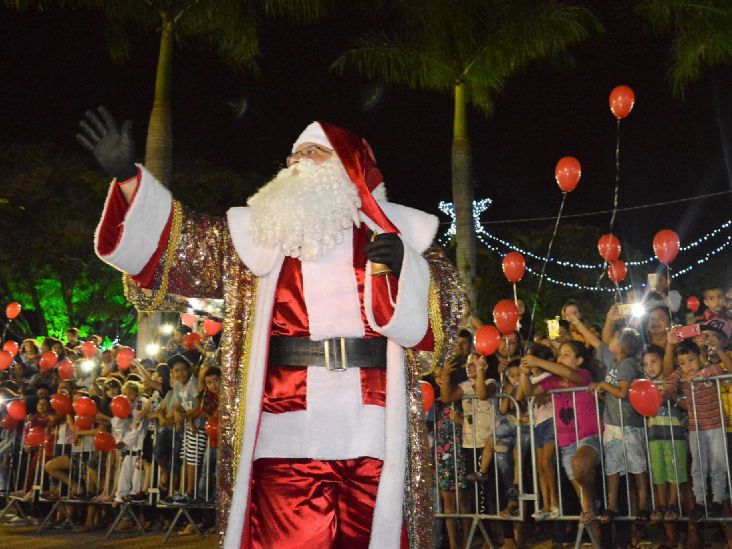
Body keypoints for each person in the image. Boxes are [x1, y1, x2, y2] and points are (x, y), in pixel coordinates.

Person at [77, 108, 462, 548]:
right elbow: (180, 248)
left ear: (347, 168)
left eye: (312, 153)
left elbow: (446, 319)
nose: (295, 163)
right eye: (292, 155)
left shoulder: (400, 236)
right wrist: (129, 179)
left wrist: (407, 270)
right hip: (286, 430)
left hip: (374, 428)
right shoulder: (254, 237)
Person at [519, 341, 601, 539]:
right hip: (566, 444)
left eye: (566, 354)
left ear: (579, 360)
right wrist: (524, 372)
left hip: (588, 437)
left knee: (580, 465)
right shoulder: (551, 383)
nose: (561, 358)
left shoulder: (583, 375)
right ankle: (598, 539)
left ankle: (591, 503)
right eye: (560, 355)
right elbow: (529, 391)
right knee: (585, 503)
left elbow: (570, 375)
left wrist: (538, 360)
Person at [662, 341, 731, 522]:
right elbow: (669, 382)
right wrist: (665, 393)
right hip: (696, 427)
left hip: (716, 425)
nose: (688, 366)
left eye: (692, 360)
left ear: (700, 357)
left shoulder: (709, 368)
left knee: (718, 464)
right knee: (698, 466)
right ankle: (700, 501)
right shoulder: (681, 374)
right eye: (683, 363)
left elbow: (720, 371)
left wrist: (700, 374)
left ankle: (717, 498)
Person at [642, 345, 686, 547]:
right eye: (645, 364)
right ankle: (660, 504)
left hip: (673, 433)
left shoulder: (671, 382)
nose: (649, 367)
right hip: (654, 434)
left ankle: (673, 503)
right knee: (658, 470)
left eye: (654, 362)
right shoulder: (644, 386)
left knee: (674, 469)